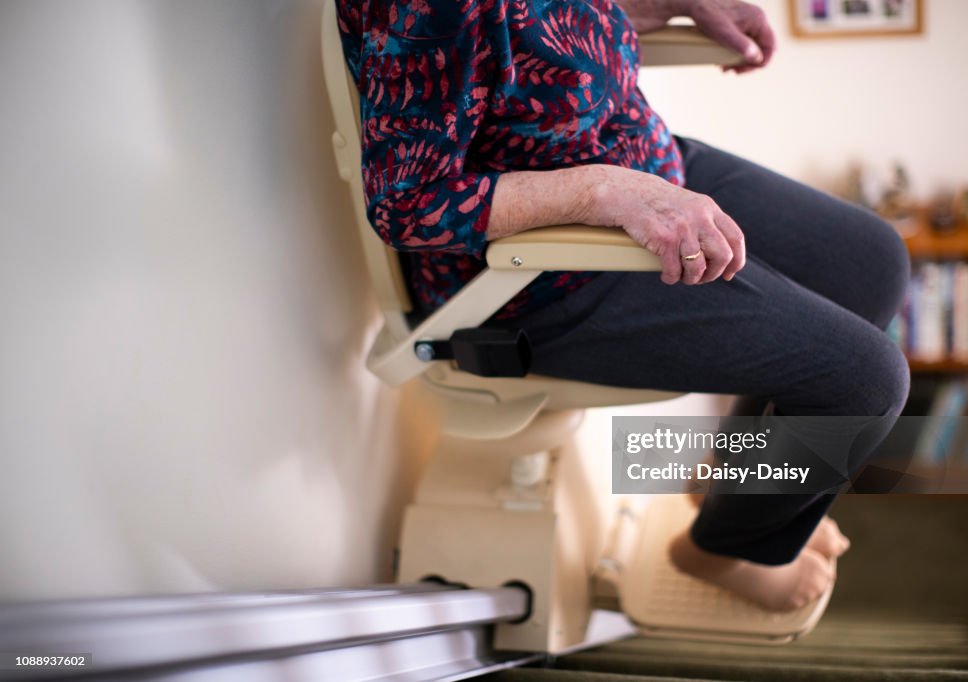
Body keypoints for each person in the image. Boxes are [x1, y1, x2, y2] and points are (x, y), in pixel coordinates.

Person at [335, 0, 909, 612]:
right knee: (866, 382)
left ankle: (737, 488)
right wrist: (602, 190)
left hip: (640, 158)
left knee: (872, 263)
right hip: (544, 270)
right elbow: (408, 205)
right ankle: (720, 548)